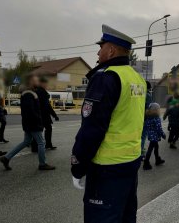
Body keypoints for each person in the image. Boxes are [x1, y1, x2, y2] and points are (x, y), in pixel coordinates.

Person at [71, 24, 146, 223]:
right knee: (126, 217)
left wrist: (78, 166)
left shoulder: (106, 77)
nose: (98, 51)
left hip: (107, 169)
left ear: (111, 50)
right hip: (130, 163)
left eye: (101, 46)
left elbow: (92, 129)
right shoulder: (137, 78)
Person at [0, 74, 55, 171]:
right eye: (36, 80)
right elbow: (30, 111)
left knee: (26, 142)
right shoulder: (29, 94)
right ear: (31, 82)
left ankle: (6, 157)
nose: (37, 81)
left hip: (29, 123)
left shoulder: (29, 93)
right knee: (41, 143)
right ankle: (42, 164)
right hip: (33, 123)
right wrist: (39, 121)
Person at [31, 76, 59, 152]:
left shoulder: (42, 91)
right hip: (40, 115)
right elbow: (40, 105)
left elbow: (48, 105)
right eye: (45, 83)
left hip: (44, 115)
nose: (46, 85)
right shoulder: (39, 92)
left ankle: (48, 144)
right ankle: (35, 146)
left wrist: (54, 115)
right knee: (39, 130)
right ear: (41, 83)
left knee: (47, 129)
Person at [143, 103, 166, 170]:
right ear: (156, 110)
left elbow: (146, 126)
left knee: (156, 147)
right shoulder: (156, 118)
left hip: (151, 135)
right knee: (150, 149)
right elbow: (159, 128)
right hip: (155, 136)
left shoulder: (148, 117)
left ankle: (157, 159)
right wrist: (163, 135)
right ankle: (146, 163)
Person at [140, 81, 152, 159]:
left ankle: (139, 150)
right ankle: (141, 153)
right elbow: (148, 108)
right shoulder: (148, 95)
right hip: (145, 118)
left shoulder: (139, 92)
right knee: (143, 136)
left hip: (137, 117)